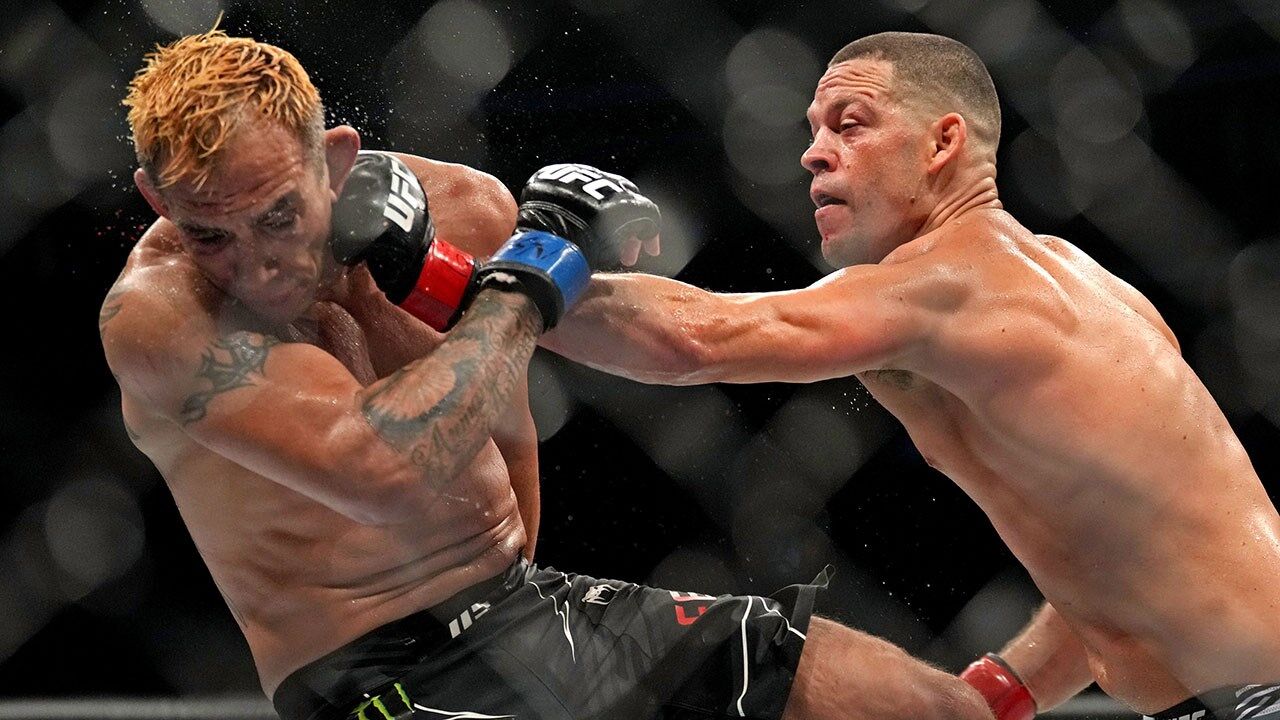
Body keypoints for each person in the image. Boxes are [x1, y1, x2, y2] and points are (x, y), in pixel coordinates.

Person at [100, 29, 992, 720]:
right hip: (375, 674)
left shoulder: (456, 208)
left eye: (278, 216)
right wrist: (530, 282)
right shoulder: (158, 319)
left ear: (332, 159)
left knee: (926, 705)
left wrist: (524, 602)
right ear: (156, 198)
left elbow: (509, 430)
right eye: (210, 233)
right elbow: (379, 468)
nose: (256, 265)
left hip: (532, 609)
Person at [541, 31, 1280, 720]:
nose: (814, 155)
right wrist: (994, 697)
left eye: (850, 124)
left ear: (942, 143)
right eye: (813, 131)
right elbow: (1115, 556)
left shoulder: (955, 284)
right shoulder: (1084, 284)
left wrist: (515, 270)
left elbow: (697, 339)